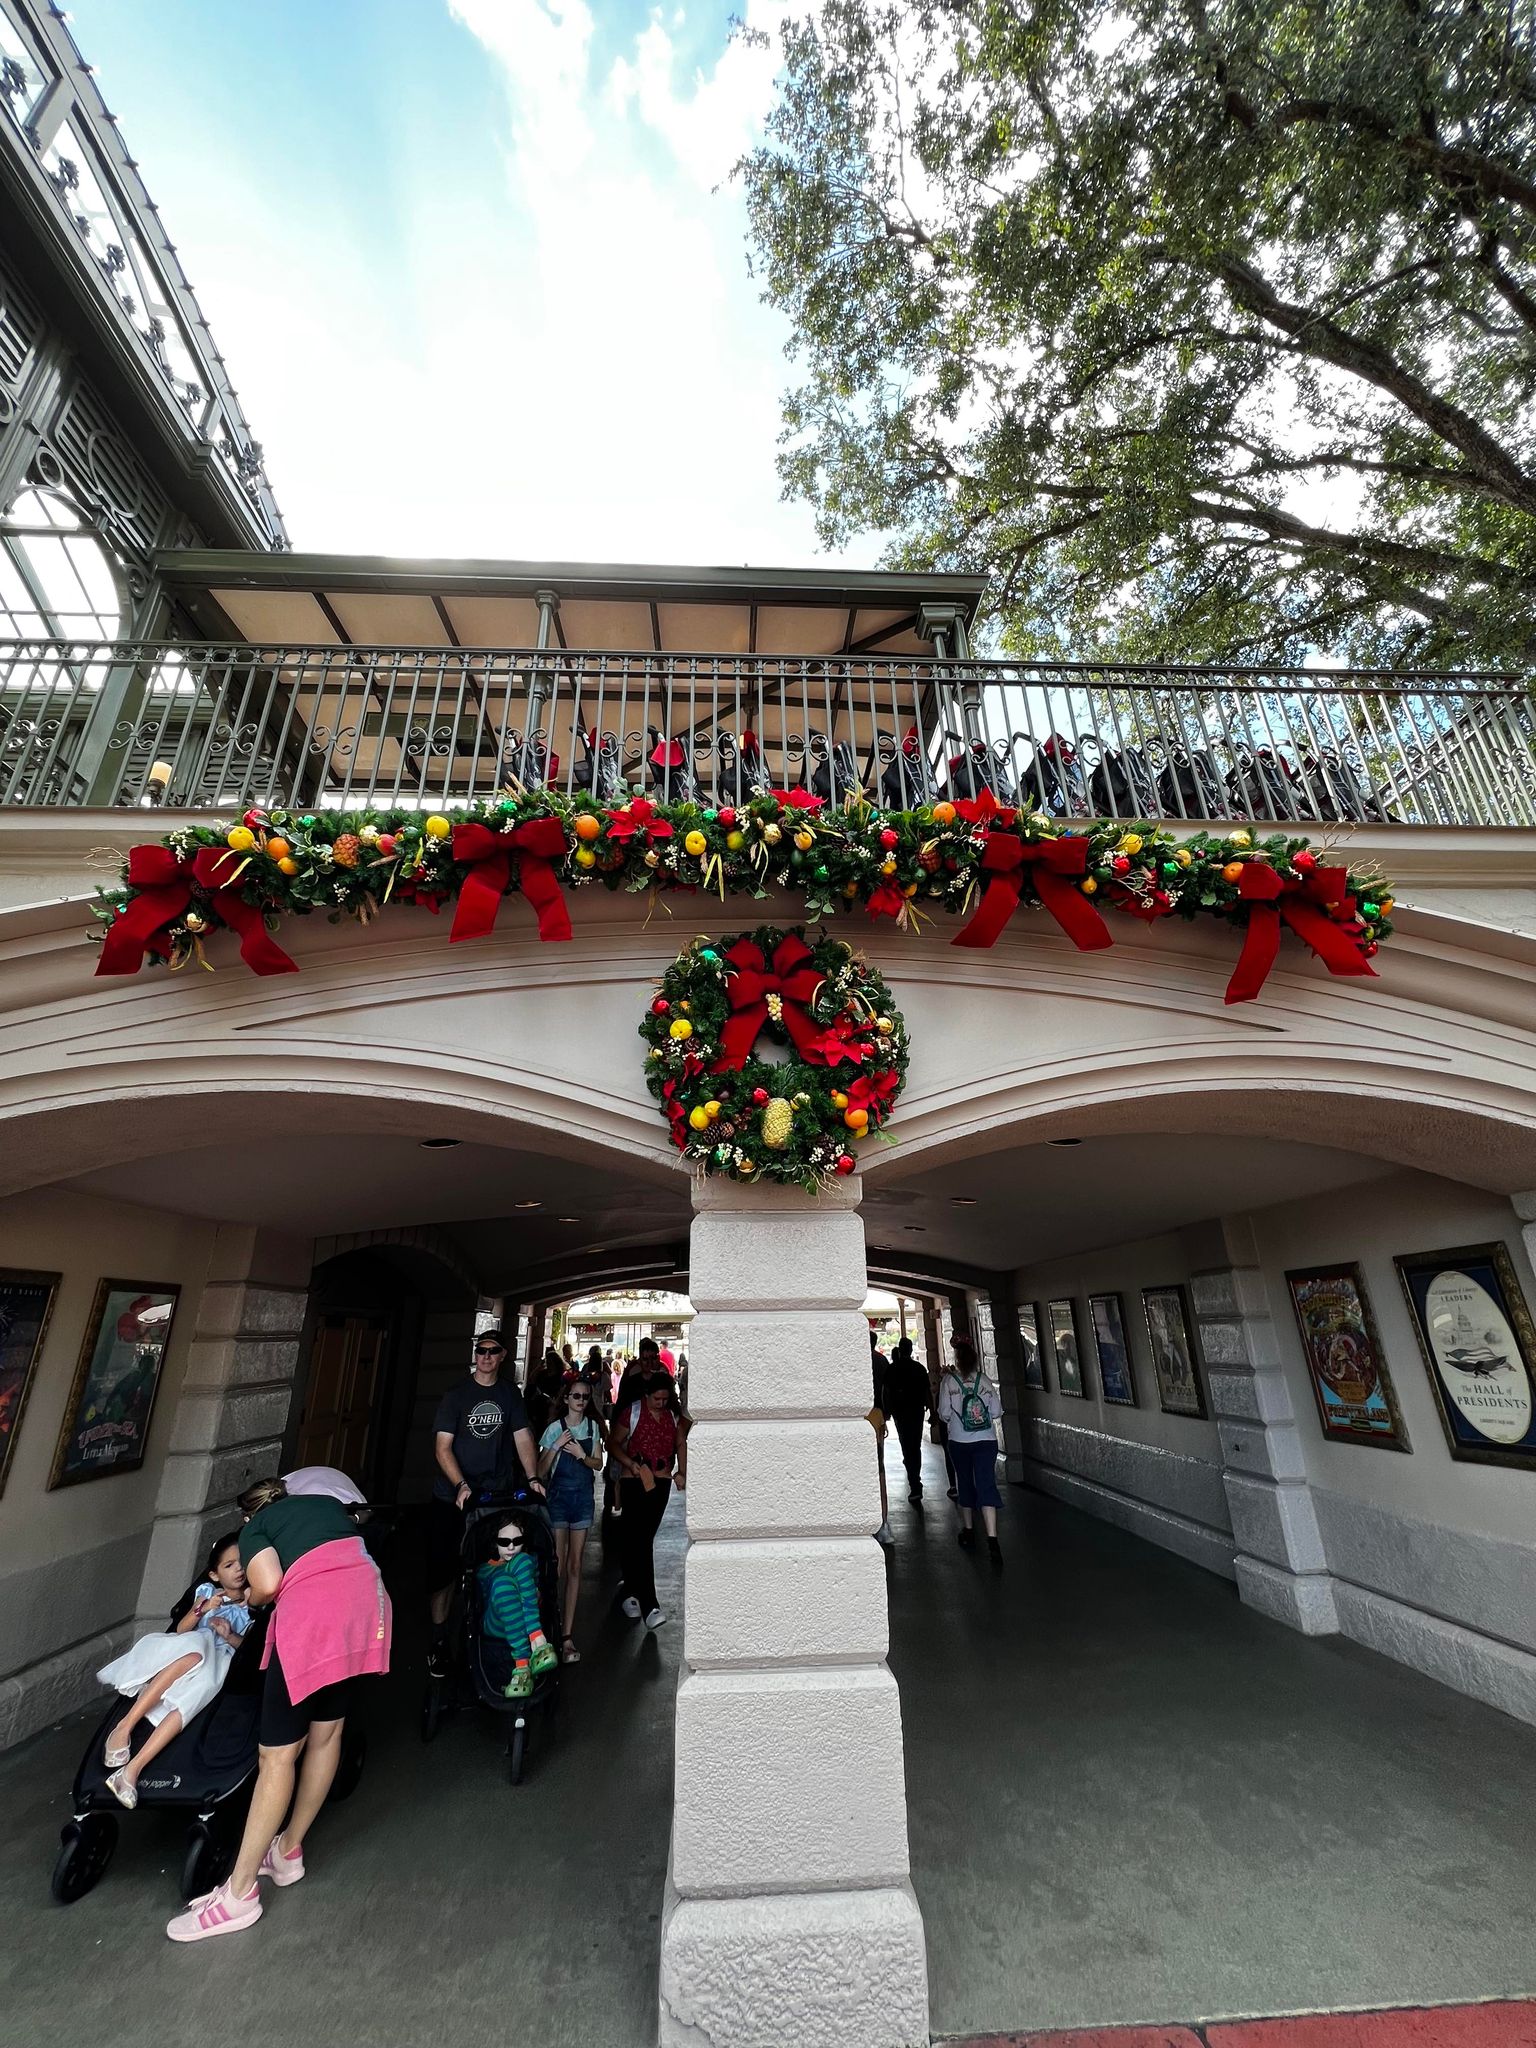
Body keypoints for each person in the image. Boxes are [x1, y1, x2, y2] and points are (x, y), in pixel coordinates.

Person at [166, 1476, 391, 1942]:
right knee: (327, 1735)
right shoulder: (325, 1506)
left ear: (250, 1514)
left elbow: (267, 1584)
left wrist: (251, 1592)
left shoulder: (256, 1527)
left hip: (312, 1623)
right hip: (364, 1611)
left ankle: (239, 1895)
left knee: (277, 1756)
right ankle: (287, 1851)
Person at [98, 1531, 252, 1808]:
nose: (238, 1569)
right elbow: (182, 1629)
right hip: (192, 1644)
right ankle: (124, 1726)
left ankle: (132, 1770)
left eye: (241, 1563)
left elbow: (248, 1647)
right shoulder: (207, 1593)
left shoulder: (252, 1605)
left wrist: (230, 1635)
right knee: (195, 1650)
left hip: (219, 1659)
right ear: (215, 1574)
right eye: (229, 1565)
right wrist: (203, 1609)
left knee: (192, 1700)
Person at [426, 1330, 542, 1678]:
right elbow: (442, 1447)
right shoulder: (456, 1396)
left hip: (495, 1497)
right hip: (453, 1497)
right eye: (481, 1351)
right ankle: (439, 1640)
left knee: (495, 1565)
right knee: (444, 1572)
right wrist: (460, 1484)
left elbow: (522, 1437)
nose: (486, 1356)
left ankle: (492, 1638)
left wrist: (533, 1477)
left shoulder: (509, 1394)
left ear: (503, 1355)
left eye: (493, 1351)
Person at [609, 1371, 687, 1629]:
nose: (661, 1403)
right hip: (634, 1478)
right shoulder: (632, 1412)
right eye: (656, 1399)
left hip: (661, 1480)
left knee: (643, 1537)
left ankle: (629, 1590)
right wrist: (629, 1463)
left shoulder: (672, 1416)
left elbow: (680, 1443)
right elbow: (613, 1443)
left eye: (665, 1399)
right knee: (640, 1538)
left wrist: (682, 1471)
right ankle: (650, 1603)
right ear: (647, 1395)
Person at [538, 1377, 605, 1661]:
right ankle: (544, 1629)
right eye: (576, 1396)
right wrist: (556, 1446)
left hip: (582, 1501)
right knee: (557, 1565)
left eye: (585, 1397)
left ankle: (566, 1634)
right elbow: (540, 1470)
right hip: (559, 1500)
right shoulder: (555, 1429)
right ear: (566, 1398)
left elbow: (598, 1463)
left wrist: (580, 1455)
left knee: (575, 1565)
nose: (580, 1401)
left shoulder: (592, 1427)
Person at [937, 1336, 1004, 1564]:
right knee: (986, 1484)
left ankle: (968, 1530)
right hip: (986, 1441)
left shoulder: (949, 1382)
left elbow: (944, 1413)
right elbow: (996, 1412)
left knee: (964, 1482)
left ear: (956, 1359)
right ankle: (993, 1540)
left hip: (959, 1441)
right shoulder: (984, 1380)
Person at [478, 1513, 557, 1696]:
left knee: (522, 1560)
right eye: (504, 1542)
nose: (511, 1547)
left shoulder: (528, 1562)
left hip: (524, 1617)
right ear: (495, 1542)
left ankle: (534, 1640)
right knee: (503, 1583)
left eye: (517, 1540)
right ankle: (533, 1647)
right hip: (496, 1623)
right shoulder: (485, 1570)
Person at [882, 1337, 934, 1504]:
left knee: (906, 1444)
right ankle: (915, 1479)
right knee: (915, 1446)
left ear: (899, 1349)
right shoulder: (919, 1368)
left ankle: (914, 1481)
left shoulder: (892, 1369)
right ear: (911, 1350)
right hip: (917, 1412)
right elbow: (927, 1392)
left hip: (900, 1413)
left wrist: (887, 1412)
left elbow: (886, 1392)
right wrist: (932, 1411)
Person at [526, 1345, 566, 1439]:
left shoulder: (560, 1376)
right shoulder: (543, 1373)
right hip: (540, 1403)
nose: (549, 1364)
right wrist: (538, 1367)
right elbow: (531, 1380)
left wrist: (555, 1401)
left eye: (551, 1361)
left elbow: (562, 1390)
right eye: (548, 1361)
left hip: (552, 1404)